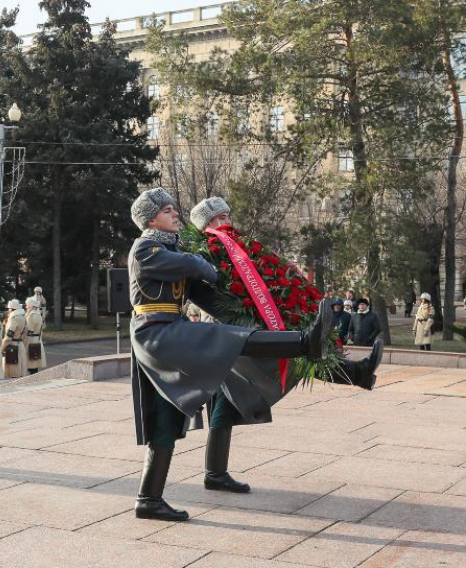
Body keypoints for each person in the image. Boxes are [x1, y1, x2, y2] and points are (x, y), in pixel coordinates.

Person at [128, 188, 370, 522]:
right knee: (230, 341)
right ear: (151, 218)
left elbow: (206, 295)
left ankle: (148, 500)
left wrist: (247, 313)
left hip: (172, 333)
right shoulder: (146, 247)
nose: (175, 214)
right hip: (157, 332)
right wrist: (201, 263)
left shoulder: (170, 247)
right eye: (168, 210)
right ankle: (304, 343)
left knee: (167, 422)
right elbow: (186, 265)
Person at [188, 195, 381, 497]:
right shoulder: (206, 251)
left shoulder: (236, 248)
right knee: (290, 358)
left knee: (230, 401)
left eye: (227, 215)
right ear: (207, 224)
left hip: (243, 332)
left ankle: (215, 473)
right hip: (229, 334)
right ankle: (358, 374)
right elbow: (210, 292)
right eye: (220, 218)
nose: (227, 222)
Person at [2, 299, 27, 378]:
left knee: (13, 373)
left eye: (9, 308)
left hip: (12, 346)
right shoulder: (23, 317)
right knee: (20, 372)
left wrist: (1, 348)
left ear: (12, 309)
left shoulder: (13, 319)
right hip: (21, 345)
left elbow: (8, 337)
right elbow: (26, 332)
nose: (8, 310)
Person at [25, 297, 47, 374]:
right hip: (36, 340)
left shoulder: (32, 316)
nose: (26, 306)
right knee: (34, 363)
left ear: (32, 306)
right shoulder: (37, 314)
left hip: (31, 341)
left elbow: (29, 331)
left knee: (31, 364)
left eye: (27, 305)